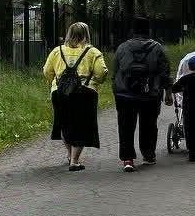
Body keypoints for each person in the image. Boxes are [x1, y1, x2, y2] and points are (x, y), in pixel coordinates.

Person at [43, 21, 108, 172]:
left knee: (64, 124)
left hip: (60, 93)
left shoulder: (57, 51)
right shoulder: (92, 52)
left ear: (68, 34)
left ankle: (69, 154)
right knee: (81, 125)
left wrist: (54, 83)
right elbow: (101, 73)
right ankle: (74, 160)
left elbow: (47, 71)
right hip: (84, 93)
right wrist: (95, 82)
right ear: (86, 35)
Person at [112, 17, 172, 172]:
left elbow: (115, 72)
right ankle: (148, 154)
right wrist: (168, 92)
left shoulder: (122, 47)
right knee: (149, 124)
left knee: (125, 126)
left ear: (132, 31)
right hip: (150, 94)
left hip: (125, 94)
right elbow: (164, 72)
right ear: (149, 30)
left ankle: (128, 159)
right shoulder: (158, 48)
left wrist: (117, 91)